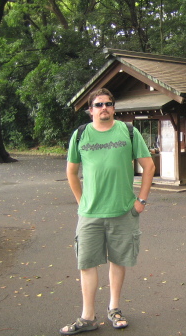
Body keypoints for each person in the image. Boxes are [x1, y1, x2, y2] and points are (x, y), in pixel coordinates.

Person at [60, 88, 155, 335]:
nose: (104, 108)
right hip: (90, 214)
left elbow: (149, 166)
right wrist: (82, 202)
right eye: (99, 104)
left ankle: (114, 308)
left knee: (118, 260)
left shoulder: (129, 132)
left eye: (109, 104)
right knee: (87, 263)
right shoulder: (81, 135)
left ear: (114, 108)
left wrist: (141, 201)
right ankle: (87, 316)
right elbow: (71, 172)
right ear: (90, 109)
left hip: (123, 211)